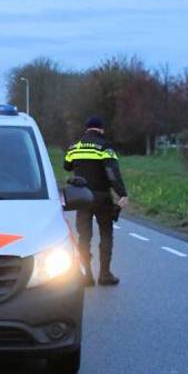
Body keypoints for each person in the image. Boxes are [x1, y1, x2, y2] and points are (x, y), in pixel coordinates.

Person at [63, 116, 128, 286]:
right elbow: (112, 172)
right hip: (102, 197)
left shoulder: (74, 147)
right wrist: (122, 193)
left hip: (82, 197)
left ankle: (86, 275)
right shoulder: (105, 147)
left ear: (86, 129)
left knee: (84, 237)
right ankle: (105, 275)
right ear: (101, 129)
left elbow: (67, 166)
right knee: (106, 234)